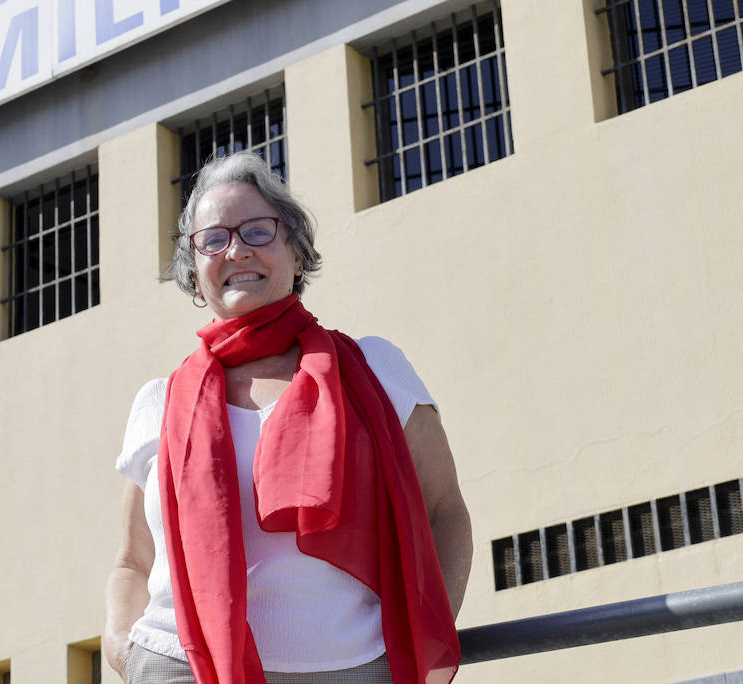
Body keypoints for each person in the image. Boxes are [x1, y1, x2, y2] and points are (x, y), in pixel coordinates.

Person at [103, 152, 472, 684]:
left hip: (351, 668)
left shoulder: (372, 370)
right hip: (183, 669)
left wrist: (423, 645)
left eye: (257, 231)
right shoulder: (159, 402)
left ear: (297, 253)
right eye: (213, 239)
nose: (235, 250)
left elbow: (446, 514)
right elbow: (133, 561)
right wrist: (123, 647)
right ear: (195, 269)